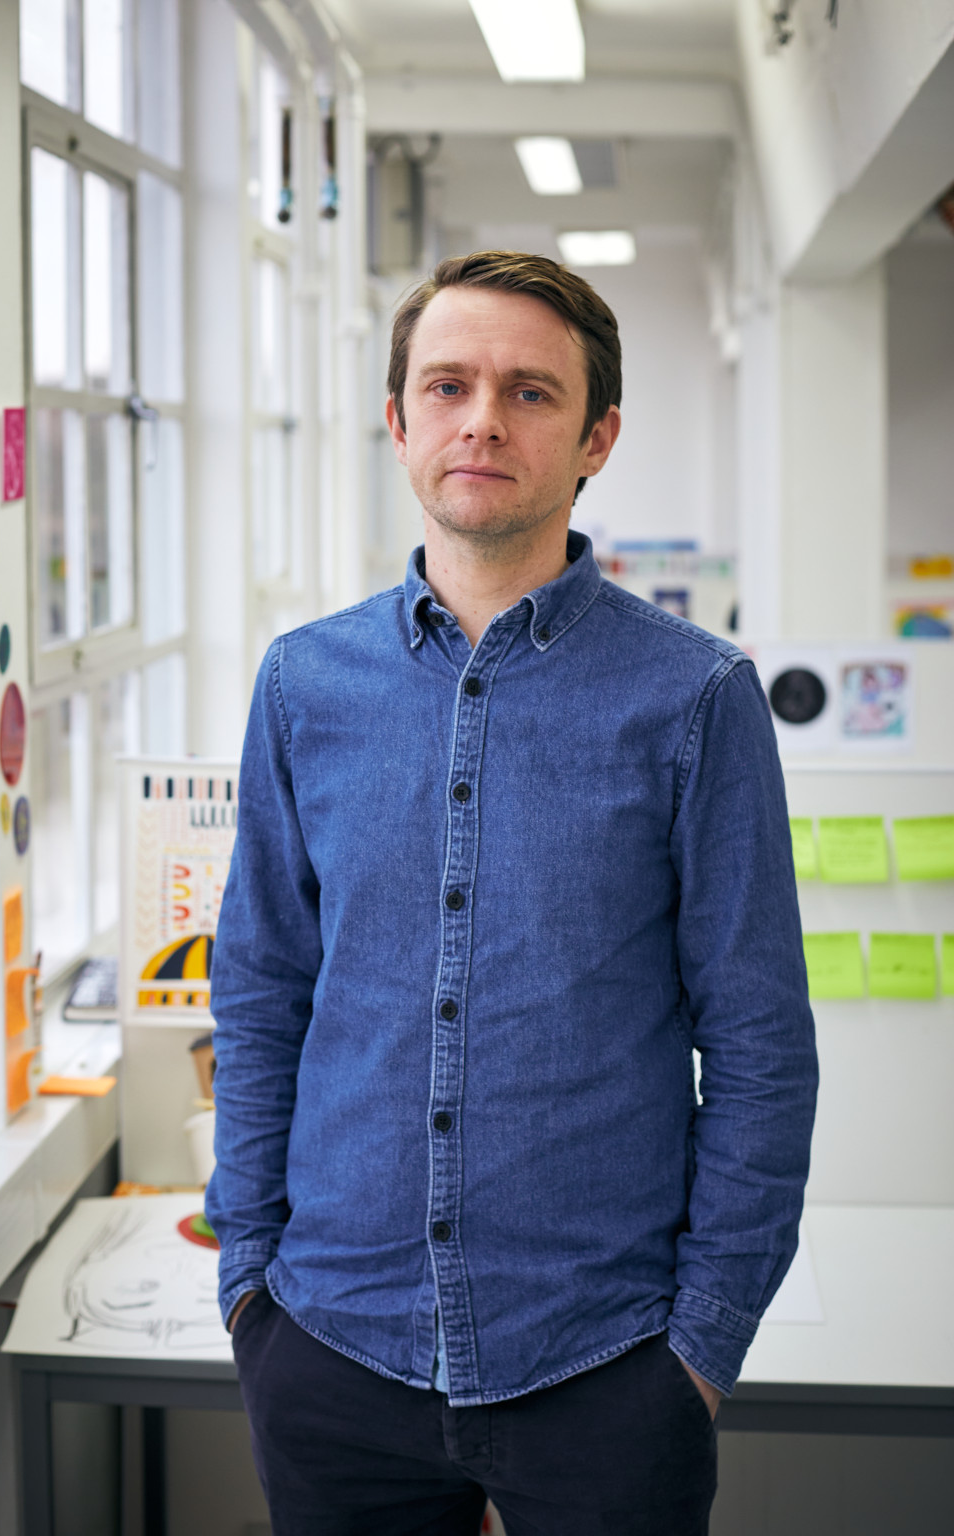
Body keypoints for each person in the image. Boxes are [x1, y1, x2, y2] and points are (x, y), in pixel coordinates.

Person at [205, 250, 818, 1535]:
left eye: (530, 392)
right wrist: (249, 1286)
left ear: (595, 437)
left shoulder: (695, 698)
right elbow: (263, 990)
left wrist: (699, 1348)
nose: (482, 417)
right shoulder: (302, 685)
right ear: (399, 422)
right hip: (330, 1347)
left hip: (603, 1369)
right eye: (448, 385)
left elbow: (759, 1045)